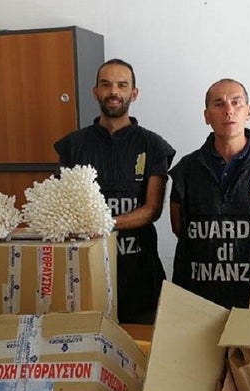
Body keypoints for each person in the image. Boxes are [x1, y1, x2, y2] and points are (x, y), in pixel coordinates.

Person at [54, 58, 176, 325]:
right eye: (106, 84)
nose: (113, 92)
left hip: (140, 275)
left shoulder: (153, 145)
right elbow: (61, 207)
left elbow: (152, 210)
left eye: (122, 85)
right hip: (85, 272)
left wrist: (103, 224)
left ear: (134, 93)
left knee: (141, 354)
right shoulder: (72, 146)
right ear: (95, 91)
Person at [169, 78, 250, 309]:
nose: (228, 110)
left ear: (248, 112)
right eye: (218, 104)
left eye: (236, 103)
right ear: (206, 116)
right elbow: (178, 227)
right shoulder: (187, 169)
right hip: (197, 299)